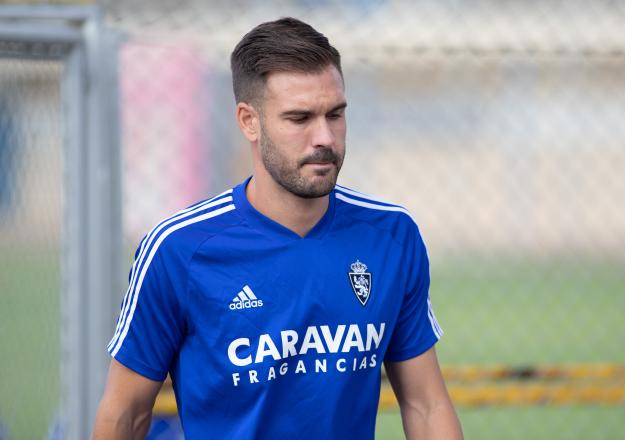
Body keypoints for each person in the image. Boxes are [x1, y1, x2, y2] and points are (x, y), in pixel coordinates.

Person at [93, 17, 462, 440]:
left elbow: (427, 404)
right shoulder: (179, 250)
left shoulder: (392, 236)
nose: (324, 136)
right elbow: (125, 414)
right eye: (299, 118)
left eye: (335, 114)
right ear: (249, 121)